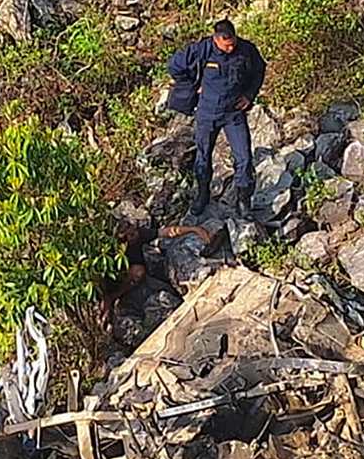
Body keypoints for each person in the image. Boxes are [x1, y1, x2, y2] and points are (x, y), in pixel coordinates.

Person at [167, 19, 267, 219]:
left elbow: (259, 70)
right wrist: (192, 86)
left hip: (233, 113)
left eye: (233, 44)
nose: (230, 48)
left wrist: (249, 95)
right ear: (216, 40)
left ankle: (243, 201)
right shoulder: (202, 50)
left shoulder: (246, 50)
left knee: (244, 157)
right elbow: (174, 66)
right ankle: (203, 195)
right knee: (203, 156)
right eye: (226, 45)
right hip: (207, 112)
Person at [100, 219, 212, 321]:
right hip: (114, 278)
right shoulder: (111, 252)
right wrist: (104, 295)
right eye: (127, 235)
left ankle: (115, 296)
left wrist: (193, 229)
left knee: (139, 272)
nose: (132, 234)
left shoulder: (140, 234)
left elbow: (167, 232)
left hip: (132, 273)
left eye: (130, 226)